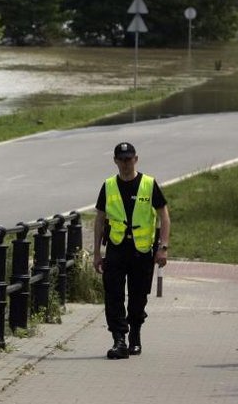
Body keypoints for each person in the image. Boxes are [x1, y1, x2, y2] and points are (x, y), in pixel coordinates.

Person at [92, 141, 171, 359]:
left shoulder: (148, 183)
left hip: (142, 250)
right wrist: (97, 253)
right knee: (113, 295)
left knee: (138, 297)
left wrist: (163, 247)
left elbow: (164, 215)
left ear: (136, 159)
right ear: (115, 161)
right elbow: (99, 219)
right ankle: (119, 339)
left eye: (129, 159)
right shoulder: (108, 186)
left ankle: (135, 333)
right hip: (117, 248)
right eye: (121, 159)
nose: (126, 164)